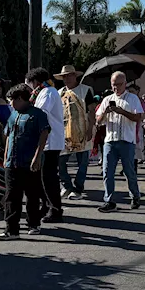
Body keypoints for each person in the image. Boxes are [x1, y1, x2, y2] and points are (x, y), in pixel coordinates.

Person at [2, 84, 50, 240]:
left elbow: (43, 134)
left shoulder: (37, 114)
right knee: (11, 196)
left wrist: (37, 156)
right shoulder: (13, 115)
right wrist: (5, 157)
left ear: (21, 99)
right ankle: (11, 229)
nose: (11, 104)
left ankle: (33, 223)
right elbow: (8, 136)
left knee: (32, 194)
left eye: (12, 100)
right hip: (12, 162)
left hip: (29, 162)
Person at [96, 71, 145, 212]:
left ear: (125, 84)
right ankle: (109, 200)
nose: (116, 87)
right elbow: (98, 121)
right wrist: (105, 112)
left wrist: (121, 111)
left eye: (118, 84)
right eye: (113, 85)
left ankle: (135, 195)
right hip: (110, 140)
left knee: (129, 171)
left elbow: (138, 118)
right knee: (107, 171)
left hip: (126, 140)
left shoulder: (132, 98)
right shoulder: (107, 99)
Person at [26, 68, 65, 223]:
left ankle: (55, 209)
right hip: (45, 141)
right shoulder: (43, 92)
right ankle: (47, 205)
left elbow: (39, 112)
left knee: (48, 178)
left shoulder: (48, 92)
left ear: (35, 81)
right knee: (42, 177)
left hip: (51, 141)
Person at [57, 65, 94, 199]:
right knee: (60, 161)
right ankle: (66, 186)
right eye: (64, 76)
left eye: (69, 75)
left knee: (82, 162)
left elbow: (91, 111)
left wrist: (90, 129)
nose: (67, 78)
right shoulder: (59, 92)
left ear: (75, 76)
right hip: (64, 132)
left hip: (82, 130)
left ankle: (78, 188)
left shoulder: (85, 90)